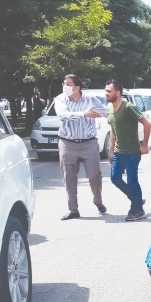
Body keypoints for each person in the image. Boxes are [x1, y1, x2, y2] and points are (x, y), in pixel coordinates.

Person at [54, 74, 109, 220]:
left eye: (68, 84)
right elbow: (62, 115)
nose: (65, 86)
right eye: (64, 83)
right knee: (69, 177)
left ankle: (98, 200)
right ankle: (73, 209)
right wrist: (85, 114)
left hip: (89, 144)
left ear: (77, 87)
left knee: (94, 175)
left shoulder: (91, 99)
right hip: (67, 143)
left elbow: (105, 112)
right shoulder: (60, 99)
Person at [105, 80, 151, 221]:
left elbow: (147, 124)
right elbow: (113, 130)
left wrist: (144, 145)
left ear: (118, 93)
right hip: (118, 151)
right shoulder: (110, 108)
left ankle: (138, 209)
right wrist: (111, 150)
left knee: (132, 181)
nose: (106, 94)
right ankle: (136, 199)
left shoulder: (128, 107)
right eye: (105, 91)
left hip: (132, 151)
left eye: (109, 91)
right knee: (115, 178)